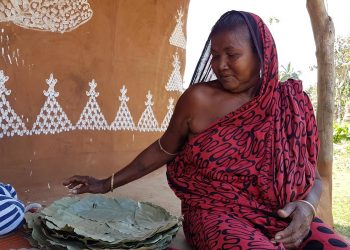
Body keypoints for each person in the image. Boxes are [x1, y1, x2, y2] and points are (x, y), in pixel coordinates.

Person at [64, 10, 349, 250]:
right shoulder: (198, 100)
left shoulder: (290, 104)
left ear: (262, 55)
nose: (220, 66)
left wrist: (308, 207)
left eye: (232, 55)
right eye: (214, 56)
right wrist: (105, 183)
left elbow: (312, 175)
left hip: (280, 216)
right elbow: (163, 149)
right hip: (215, 214)